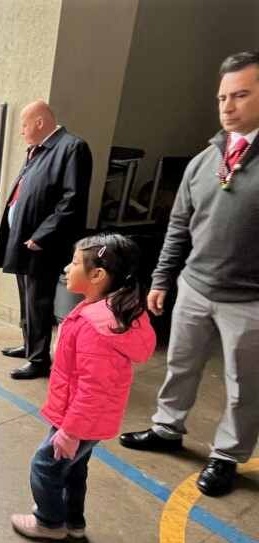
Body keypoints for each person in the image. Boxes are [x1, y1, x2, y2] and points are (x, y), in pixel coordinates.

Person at [119, 51, 259, 497]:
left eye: (240, 95)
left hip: (250, 301)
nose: (227, 106)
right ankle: (167, 427)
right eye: (222, 97)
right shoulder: (204, 161)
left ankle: (227, 455)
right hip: (195, 288)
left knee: (244, 386)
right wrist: (162, 279)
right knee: (180, 366)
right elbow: (178, 227)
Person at [11, 234, 155, 539]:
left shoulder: (97, 327)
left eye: (74, 262)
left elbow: (93, 389)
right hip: (89, 419)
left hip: (79, 421)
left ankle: (49, 522)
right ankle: (73, 520)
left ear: (97, 275)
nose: (66, 268)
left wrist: (71, 431)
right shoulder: (105, 312)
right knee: (74, 469)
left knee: (45, 466)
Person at [0, 100, 93, 380]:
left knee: (39, 300)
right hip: (24, 239)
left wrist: (43, 234)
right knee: (27, 298)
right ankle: (30, 347)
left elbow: (72, 200)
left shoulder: (72, 147)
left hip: (43, 243)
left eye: (24, 125)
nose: (21, 131)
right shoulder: (37, 150)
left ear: (39, 122)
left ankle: (38, 360)